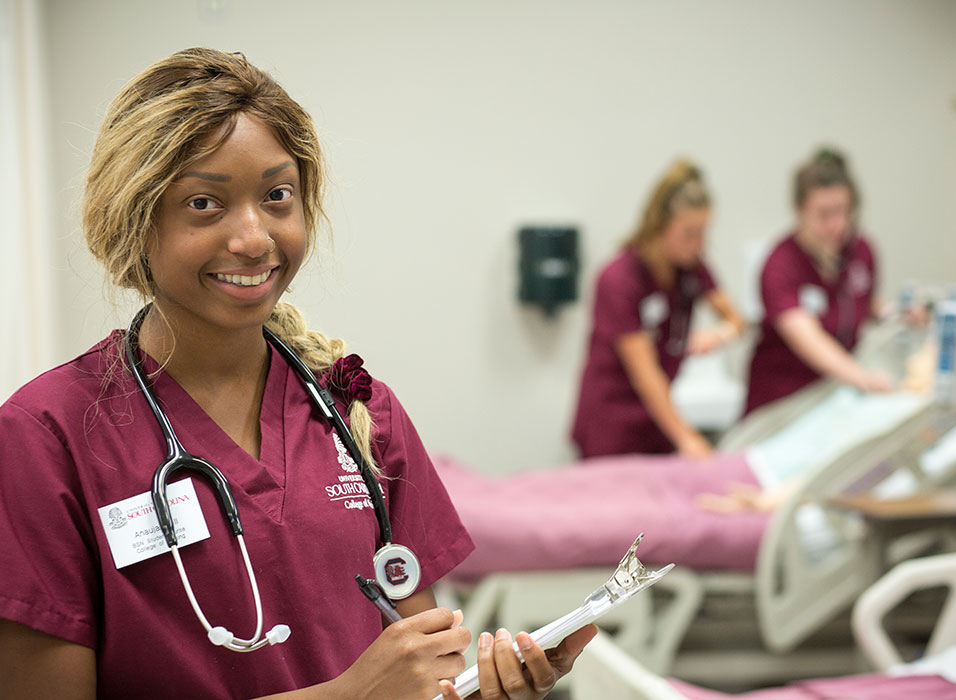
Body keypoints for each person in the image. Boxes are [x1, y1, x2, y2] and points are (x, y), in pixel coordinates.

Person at [0, 48, 595, 700]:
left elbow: (428, 674)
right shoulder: (46, 436)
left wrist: (489, 687)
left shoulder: (359, 410)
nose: (254, 237)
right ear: (134, 219)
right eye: (205, 203)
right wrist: (346, 697)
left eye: (278, 195)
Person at [571, 160, 745, 460]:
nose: (699, 244)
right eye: (689, 233)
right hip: (613, 425)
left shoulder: (690, 270)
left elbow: (736, 320)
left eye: (704, 232)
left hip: (658, 423)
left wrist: (720, 335)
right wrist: (688, 439)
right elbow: (645, 374)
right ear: (659, 226)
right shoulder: (618, 279)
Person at [743, 148, 893, 417]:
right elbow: (806, 335)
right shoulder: (780, 265)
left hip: (833, 402)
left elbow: (860, 303)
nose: (836, 225)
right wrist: (862, 377)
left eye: (842, 211)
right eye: (824, 214)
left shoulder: (861, 252)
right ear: (800, 211)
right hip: (780, 407)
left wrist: (898, 313)